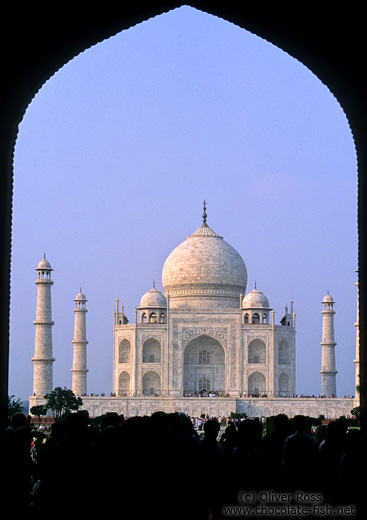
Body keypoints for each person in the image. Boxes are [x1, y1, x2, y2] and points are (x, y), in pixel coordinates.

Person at [282, 415, 319, 490]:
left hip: (293, 470)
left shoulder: (289, 439)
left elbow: (285, 457)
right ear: (305, 425)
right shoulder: (312, 439)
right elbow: (315, 457)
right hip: (307, 470)